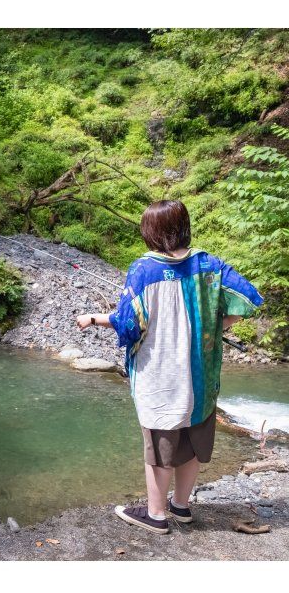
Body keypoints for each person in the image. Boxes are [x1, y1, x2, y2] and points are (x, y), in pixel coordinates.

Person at [76, 200, 263, 534]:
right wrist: (217, 326)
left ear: (151, 232)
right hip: (202, 376)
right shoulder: (209, 264)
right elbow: (248, 298)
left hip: (162, 375)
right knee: (192, 440)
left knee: (161, 443)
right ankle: (181, 505)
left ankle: (156, 514)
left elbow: (128, 324)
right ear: (184, 226)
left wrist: (93, 318)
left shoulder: (144, 270)